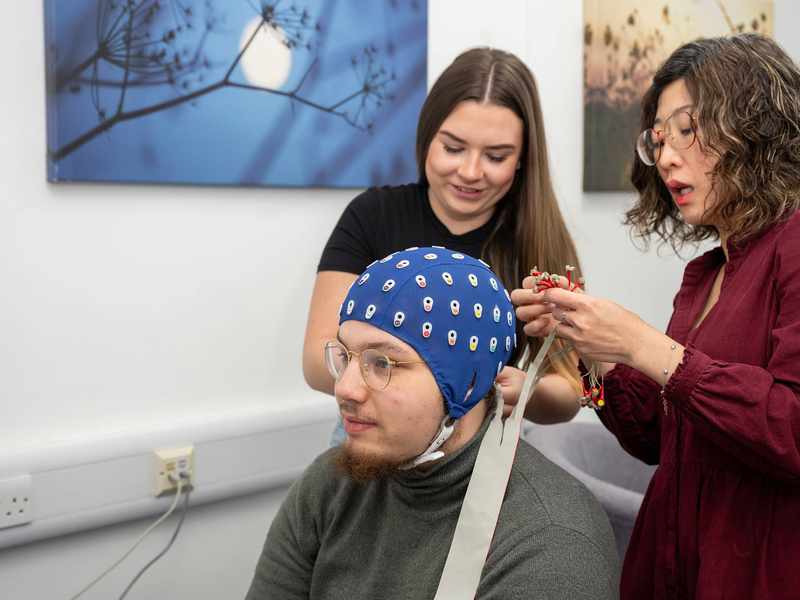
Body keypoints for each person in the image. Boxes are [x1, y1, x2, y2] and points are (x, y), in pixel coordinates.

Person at [513, 33, 800, 599]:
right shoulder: (706, 273)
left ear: (755, 126)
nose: (667, 156)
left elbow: (790, 429)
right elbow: (658, 440)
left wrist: (645, 346)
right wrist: (588, 348)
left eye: (688, 130)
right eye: (659, 139)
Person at [248, 248, 619, 599]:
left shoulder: (549, 543)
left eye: (382, 364)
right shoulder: (329, 487)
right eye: (345, 356)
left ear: (468, 384)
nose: (344, 388)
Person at [302, 47, 583, 440]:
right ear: (427, 138)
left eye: (496, 156)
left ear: (522, 159)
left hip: (482, 453)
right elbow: (317, 361)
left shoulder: (536, 238)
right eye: (453, 148)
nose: (469, 172)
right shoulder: (372, 216)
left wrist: (527, 392)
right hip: (371, 439)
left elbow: (571, 386)